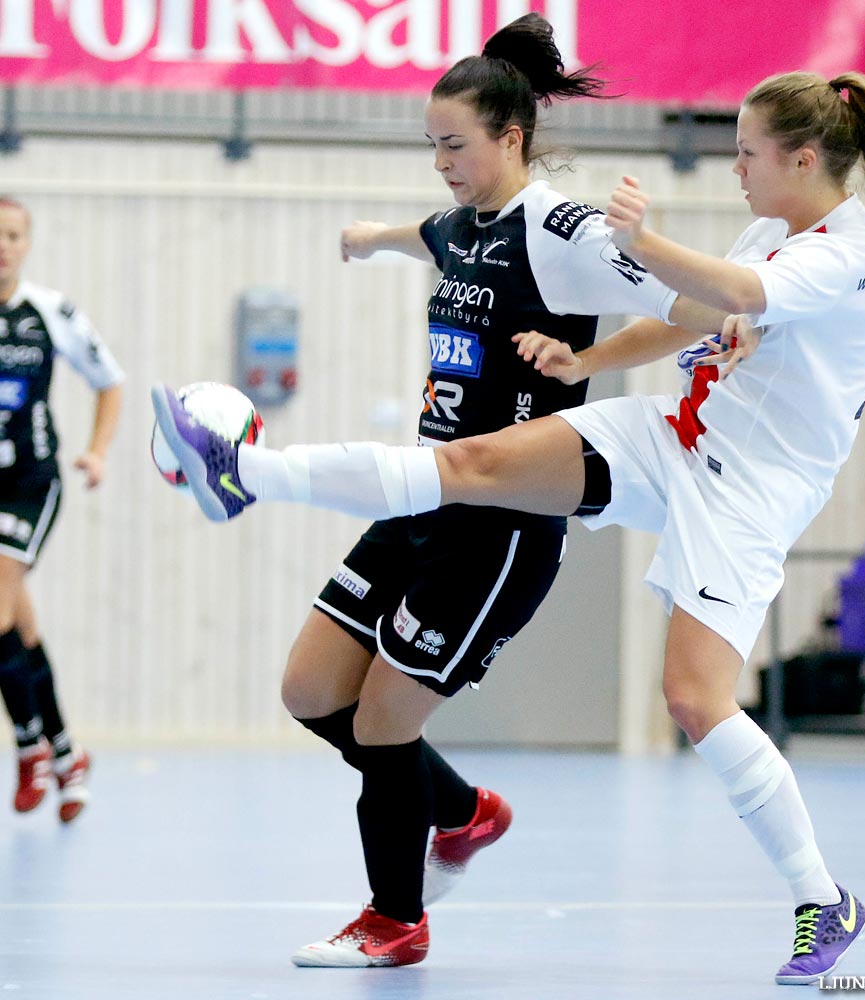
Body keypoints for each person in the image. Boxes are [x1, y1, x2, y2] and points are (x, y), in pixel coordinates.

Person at [153, 45, 865, 983]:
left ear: (804, 160)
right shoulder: (770, 234)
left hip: (749, 493)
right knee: (467, 463)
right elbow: (693, 319)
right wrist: (582, 365)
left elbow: (738, 296)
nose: (736, 166)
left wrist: (640, 241)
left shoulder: (849, 256)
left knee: (694, 698)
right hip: (670, 436)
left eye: (748, 152)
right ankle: (247, 472)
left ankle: (821, 898)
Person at [182, 15, 727, 970]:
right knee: (312, 693)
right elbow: (424, 235)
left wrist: (590, 355)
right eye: (429, 144)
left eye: (453, 144)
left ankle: (396, 921)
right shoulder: (458, 221)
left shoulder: (567, 232)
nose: (439, 161)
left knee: (385, 722)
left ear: (509, 136)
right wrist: (367, 239)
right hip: (422, 497)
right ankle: (465, 810)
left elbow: (691, 313)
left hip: (504, 522)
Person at [0, 196, 124, 823]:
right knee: (18, 630)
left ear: (26, 244)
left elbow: (110, 380)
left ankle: (29, 747)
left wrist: (97, 452)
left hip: (30, 483)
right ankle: (66, 751)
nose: (2, 245)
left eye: (13, 235)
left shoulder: (50, 313)